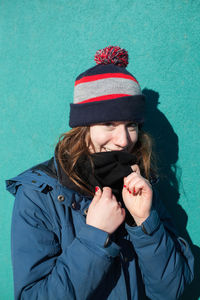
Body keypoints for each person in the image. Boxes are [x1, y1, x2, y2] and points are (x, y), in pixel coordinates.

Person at [6, 46, 194, 300]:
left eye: (132, 125)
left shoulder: (141, 185)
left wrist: (145, 222)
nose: (123, 140)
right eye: (109, 124)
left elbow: (171, 290)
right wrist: (95, 236)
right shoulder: (39, 194)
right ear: (83, 127)